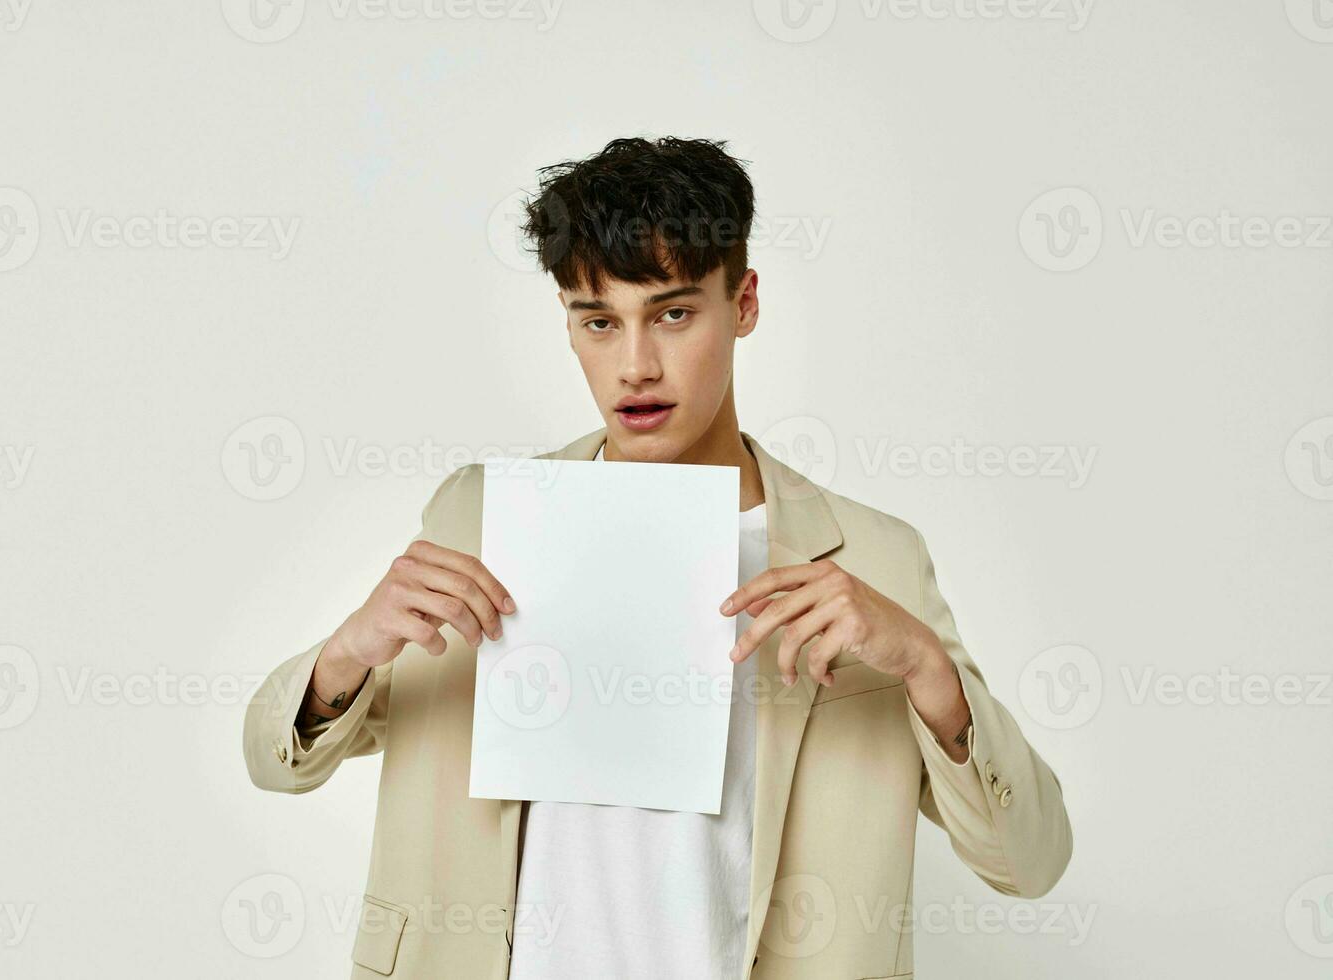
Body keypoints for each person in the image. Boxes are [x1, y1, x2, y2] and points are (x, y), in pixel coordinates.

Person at [243, 136, 1072, 980]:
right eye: (599, 323)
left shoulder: (875, 560)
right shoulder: (480, 516)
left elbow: (1030, 860)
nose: (635, 366)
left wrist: (928, 670)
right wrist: (345, 652)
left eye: (673, 314)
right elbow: (277, 763)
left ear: (744, 303)